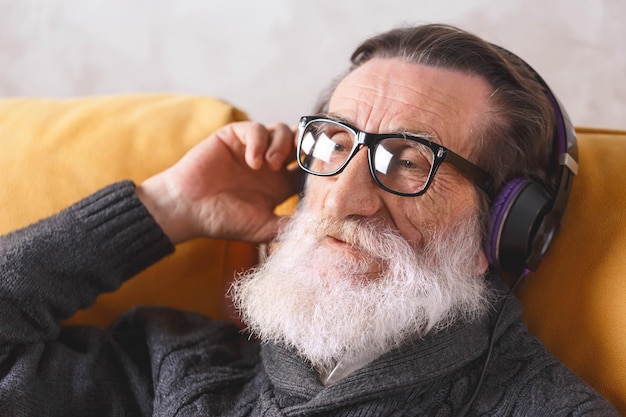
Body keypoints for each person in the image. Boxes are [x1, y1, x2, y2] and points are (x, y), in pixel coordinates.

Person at [0, 23, 619, 416]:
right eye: (333, 144)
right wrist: (163, 209)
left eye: (408, 160)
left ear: (504, 229)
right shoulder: (178, 369)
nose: (344, 196)